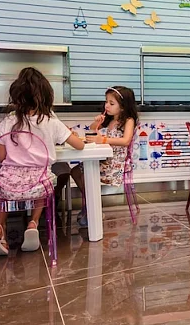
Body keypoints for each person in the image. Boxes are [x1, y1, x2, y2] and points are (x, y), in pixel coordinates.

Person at [0, 67, 86, 255]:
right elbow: (79, 145)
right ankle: (33, 223)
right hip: (38, 185)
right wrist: (66, 132)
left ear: (16, 98)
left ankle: (0, 226)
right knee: (44, 184)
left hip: (10, 186)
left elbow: (0, 157)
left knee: (2, 188)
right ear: (47, 96)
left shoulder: (9, 121)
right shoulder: (51, 121)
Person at [56, 86, 138, 228]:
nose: (107, 106)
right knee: (75, 171)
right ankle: (92, 205)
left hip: (115, 163)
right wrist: (97, 121)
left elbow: (126, 141)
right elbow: (93, 129)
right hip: (103, 158)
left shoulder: (128, 120)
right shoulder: (109, 120)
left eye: (111, 103)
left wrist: (103, 140)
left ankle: (91, 208)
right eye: (106, 102)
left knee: (85, 173)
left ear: (123, 106)